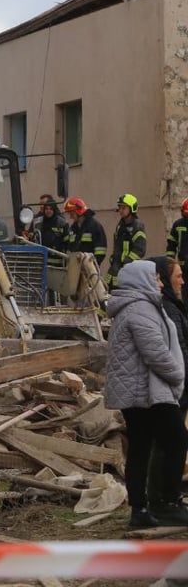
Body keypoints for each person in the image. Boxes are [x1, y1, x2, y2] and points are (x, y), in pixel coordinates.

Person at [105, 260, 188, 528]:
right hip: (146, 392)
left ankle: (140, 511)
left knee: (141, 448)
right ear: (142, 280)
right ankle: (166, 503)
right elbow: (155, 352)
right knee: (176, 440)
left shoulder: (135, 307)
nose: (161, 283)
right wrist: (178, 375)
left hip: (140, 391)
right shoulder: (140, 309)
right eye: (157, 278)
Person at [147, 256, 188, 510]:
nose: (182, 280)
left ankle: (164, 498)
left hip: (177, 385)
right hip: (173, 387)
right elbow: (178, 351)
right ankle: (164, 499)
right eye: (177, 276)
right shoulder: (168, 308)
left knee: (171, 441)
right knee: (171, 442)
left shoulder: (175, 305)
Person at [108, 193, 147, 289]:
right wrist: (114, 258)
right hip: (116, 267)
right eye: (120, 208)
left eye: (123, 208)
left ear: (132, 208)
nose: (120, 211)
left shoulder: (137, 226)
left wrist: (127, 261)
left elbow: (140, 249)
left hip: (128, 269)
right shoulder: (120, 225)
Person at [62, 197, 107, 265]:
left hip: (89, 268)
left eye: (72, 214)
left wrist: (93, 264)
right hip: (75, 267)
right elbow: (70, 248)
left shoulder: (94, 226)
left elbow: (101, 251)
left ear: (78, 212)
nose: (71, 217)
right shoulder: (73, 228)